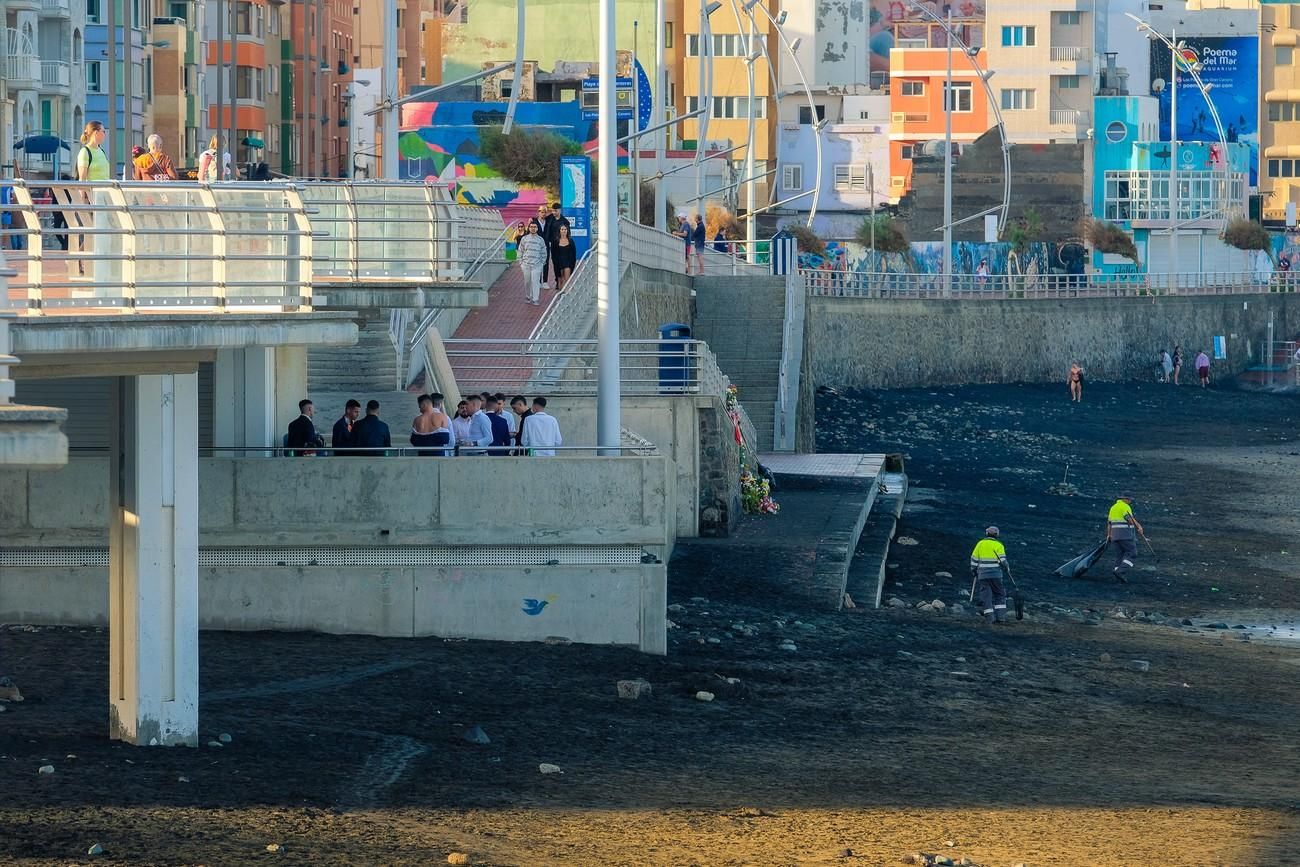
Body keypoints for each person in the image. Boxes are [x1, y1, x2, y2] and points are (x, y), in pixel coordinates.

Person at [969, 526, 1012, 625]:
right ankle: (1000, 617)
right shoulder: (998, 545)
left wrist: (974, 570)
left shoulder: (980, 544)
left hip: (982, 575)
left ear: (986, 533)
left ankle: (989, 618)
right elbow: (1003, 561)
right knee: (1000, 594)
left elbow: (974, 559)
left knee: (986, 596)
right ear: (997, 535)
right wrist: (1007, 569)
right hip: (996, 575)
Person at [1106, 494, 1146, 584]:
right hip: (1125, 535)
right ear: (1125, 499)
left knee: (1120, 554)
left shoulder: (1113, 507)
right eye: (1129, 499)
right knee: (1132, 553)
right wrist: (1139, 526)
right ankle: (1120, 571)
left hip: (1114, 536)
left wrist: (1109, 535)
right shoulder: (1125, 507)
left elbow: (1109, 523)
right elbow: (1129, 519)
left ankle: (1117, 572)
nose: (1130, 501)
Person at [517, 218, 548, 305]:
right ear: (529, 228)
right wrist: (521, 262)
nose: (533, 228)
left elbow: (544, 252)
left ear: (537, 228)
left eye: (535, 227)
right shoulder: (524, 239)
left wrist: (542, 262)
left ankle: (535, 299)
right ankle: (528, 296)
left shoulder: (540, 240)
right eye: (531, 227)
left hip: (537, 265)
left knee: (536, 281)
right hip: (526, 264)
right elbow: (520, 251)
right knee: (527, 281)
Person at [542, 202, 571, 289]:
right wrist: (531, 219)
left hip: (562, 245)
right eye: (553, 211)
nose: (554, 212)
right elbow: (541, 218)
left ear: (559, 210)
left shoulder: (565, 221)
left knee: (563, 263)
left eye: (555, 211)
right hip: (553, 245)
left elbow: (568, 234)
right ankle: (558, 281)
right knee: (555, 263)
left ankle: (563, 281)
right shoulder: (550, 218)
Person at [551, 222, 577, 291]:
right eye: (562, 229)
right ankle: (560, 295)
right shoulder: (555, 241)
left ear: (567, 231)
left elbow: (573, 254)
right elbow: (553, 254)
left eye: (565, 229)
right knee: (560, 279)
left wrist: (572, 264)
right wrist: (555, 263)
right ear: (559, 231)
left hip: (568, 262)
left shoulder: (571, 241)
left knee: (567, 279)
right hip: (558, 262)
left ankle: (566, 294)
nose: (563, 231)